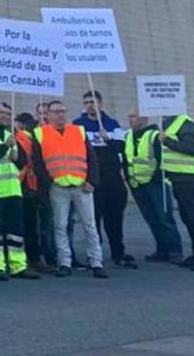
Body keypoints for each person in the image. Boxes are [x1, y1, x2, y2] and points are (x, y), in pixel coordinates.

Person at [33, 100, 107, 279]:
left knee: (90, 225)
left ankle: (96, 262)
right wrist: (49, 183)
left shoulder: (78, 131)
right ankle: (64, 262)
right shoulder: (40, 133)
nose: (60, 115)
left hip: (82, 186)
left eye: (63, 111)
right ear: (48, 114)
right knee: (60, 226)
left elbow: (91, 158)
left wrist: (92, 180)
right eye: (56, 112)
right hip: (58, 186)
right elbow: (37, 162)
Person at [74, 90, 134, 269]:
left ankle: (118, 253)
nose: (89, 105)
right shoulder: (78, 125)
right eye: (86, 102)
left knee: (114, 220)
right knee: (92, 221)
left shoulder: (111, 123)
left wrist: (108, 139)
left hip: (113, 180)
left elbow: (121, 148)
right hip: (92, 180)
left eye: (92, 102)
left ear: (100, 104)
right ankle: (95, 256)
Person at [0, 102, 38, 280]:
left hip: (13, 190)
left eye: (6, 113)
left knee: (16, 229)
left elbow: (22, 163)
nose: (5, 115)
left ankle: (18, 265)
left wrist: (16, 155)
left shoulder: (8, 134)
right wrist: (5, 146)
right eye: (0, 112)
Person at [123, 110, 184, 264]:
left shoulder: (155, 135)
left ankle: (175, 250)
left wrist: (156, 178)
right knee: (151, 218)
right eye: (130, 116)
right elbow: (126, 159)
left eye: (133, 116)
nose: (130, 119)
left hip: (156, 183)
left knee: (164, 217)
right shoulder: (128, 135)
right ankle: (162, 249)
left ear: (144, 118)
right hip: (137, 184)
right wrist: (129, 178)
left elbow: (161, 159)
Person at [158, 112, 194, 272]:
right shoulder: (170, 123)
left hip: (190, 178)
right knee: (189, 218)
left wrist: (167, 141)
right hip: (180, 179)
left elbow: (193, 148)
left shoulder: (185, 123)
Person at [14, 112, 55, 272]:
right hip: (15, 186)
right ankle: (22, 259)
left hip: (30, 186)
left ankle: (34, 258)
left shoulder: (29, 137)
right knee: (18, 226)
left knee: (32, 226)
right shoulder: (16, 137)